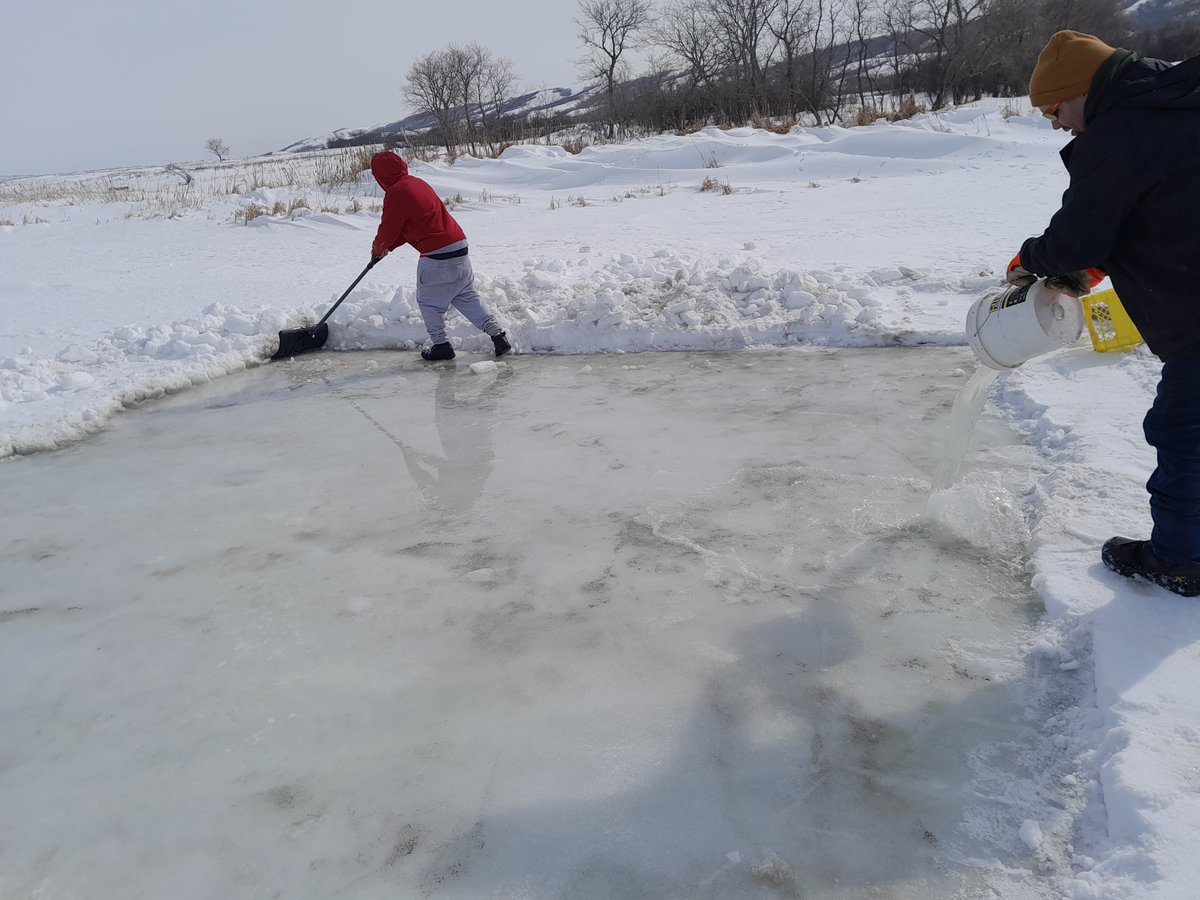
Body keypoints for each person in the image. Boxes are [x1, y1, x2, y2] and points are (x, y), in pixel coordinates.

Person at [1006, 31, 1200, 596]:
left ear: (1081, 93)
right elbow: (1165, 205)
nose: (1053, 122)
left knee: (1183, 431)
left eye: (1054, 107)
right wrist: (1099, 261)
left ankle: (1181, 561)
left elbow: (1078, 236)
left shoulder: (1123, 132)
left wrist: (1031, 260)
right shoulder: (1172, 102)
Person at [369, 150, 510, 361]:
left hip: (436, 255)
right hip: (458, 246)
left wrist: (378, 249)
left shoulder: (396, 192)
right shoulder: (417, 183)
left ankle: (441, 345)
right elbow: (409, 228)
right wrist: (387, 249)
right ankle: (498, 335)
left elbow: (389, 229)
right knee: (465, 295)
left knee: (428, 302)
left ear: (379, 175)